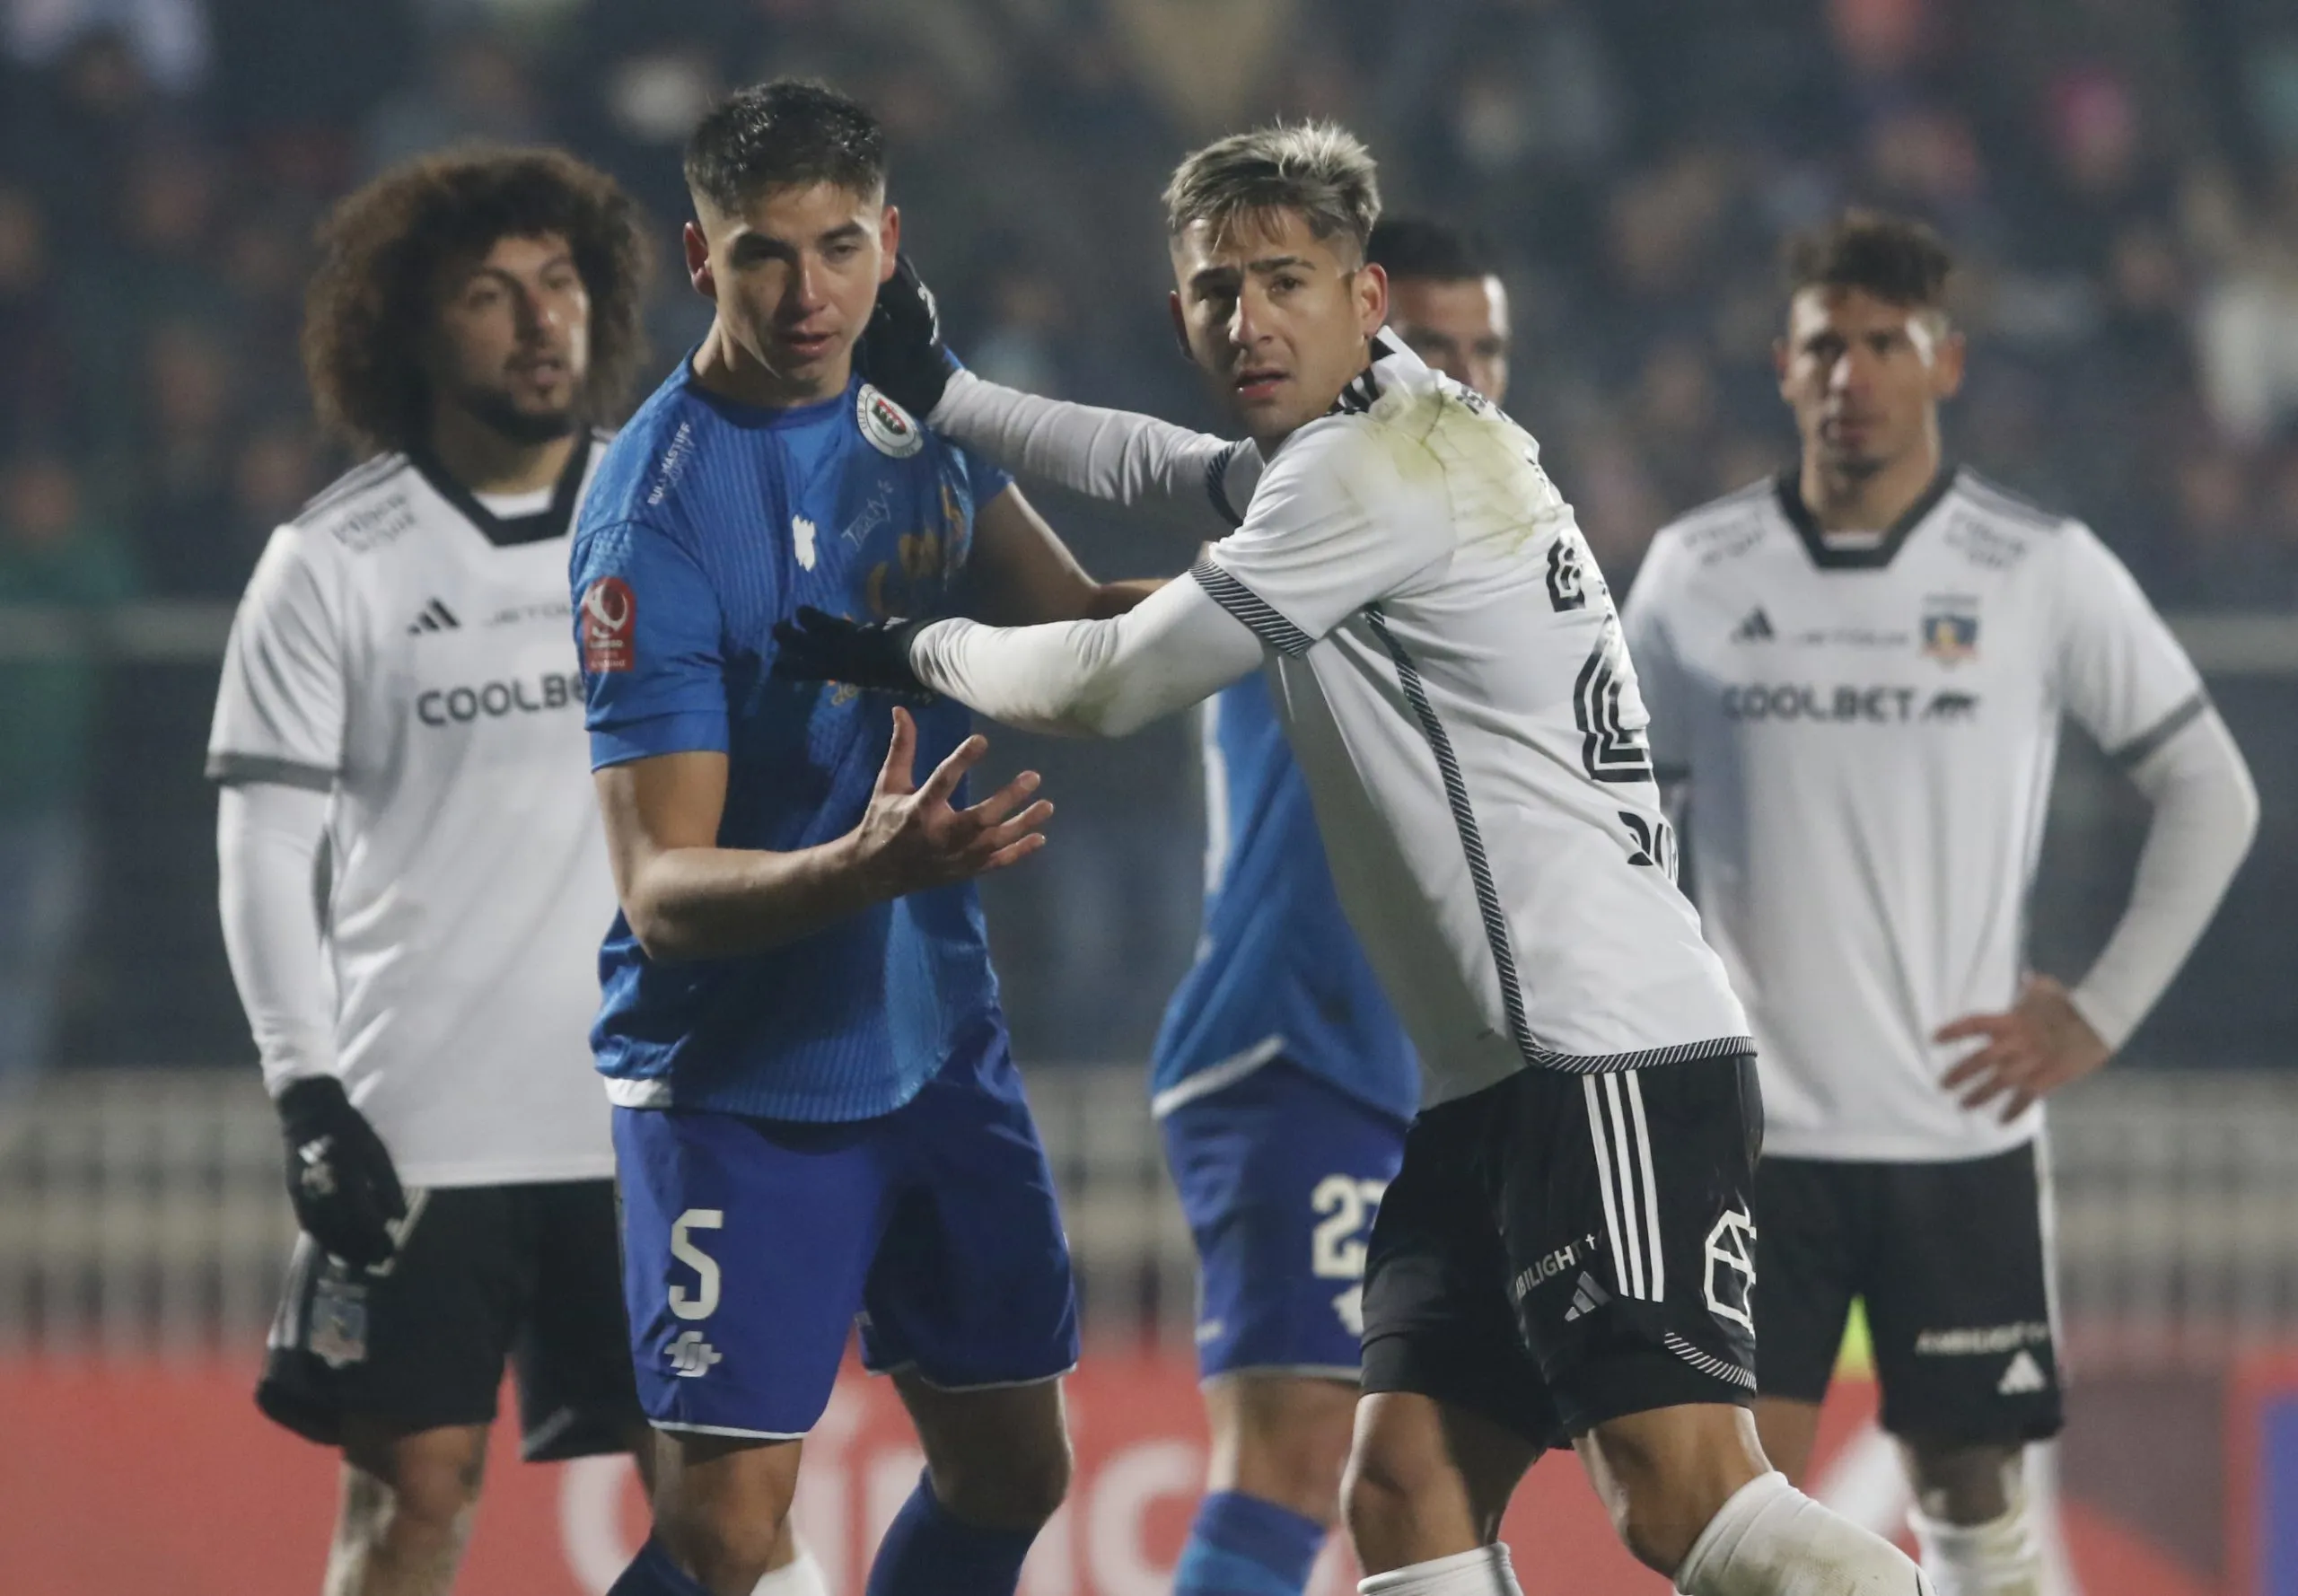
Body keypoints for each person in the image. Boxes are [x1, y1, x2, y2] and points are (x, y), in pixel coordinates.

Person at [782, 122, 1934, 1596]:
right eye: (1214, 290)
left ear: (1364, 294)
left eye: (1284, 281)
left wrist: (909, 646)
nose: (1247, 320)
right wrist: (952, 394)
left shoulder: (1366, 475)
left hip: (1604, 1054)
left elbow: (1107, 683)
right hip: (1489, 1087)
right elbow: (1166, 461)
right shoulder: (1396, 425)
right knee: (1404, 1488)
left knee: (1682, 1501)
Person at [206, 147, 838, 1596]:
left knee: (728, 1514)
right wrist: (307, 1087)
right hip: (423, 1124)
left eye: (557, 285)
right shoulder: (331, 563)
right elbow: (263, 840)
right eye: (489, 295)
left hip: (655, 1110)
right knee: (410, 1507)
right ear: (410, 330)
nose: (536, 320)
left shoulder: (670, 506)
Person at [1618, 210, 2259, 1596]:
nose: (1852, 373)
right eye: (1823, 345)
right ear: (1782, 368)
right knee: (1735, 1517)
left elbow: (2214, 788)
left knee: (1976, 1502)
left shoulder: (2036, 568)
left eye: (1885, 344)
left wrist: (2099, 1011)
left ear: (1945, 364)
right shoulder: (1695, 573)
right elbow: (1613, 826)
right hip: (1750, 1142)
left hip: (1957, 1132)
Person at [574, 81, 1154, 1596]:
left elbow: (1081, 625)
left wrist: (1298, 582)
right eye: (765, 254)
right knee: (720, 1534)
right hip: (740, 1074)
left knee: (1017, 1468)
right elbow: (660, 890)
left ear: (891, 243)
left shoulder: (914, 407)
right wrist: (862, 869)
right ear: (701, 263)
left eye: (841, 247)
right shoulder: (656, 519)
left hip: (932, 1035)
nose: (810, 290)